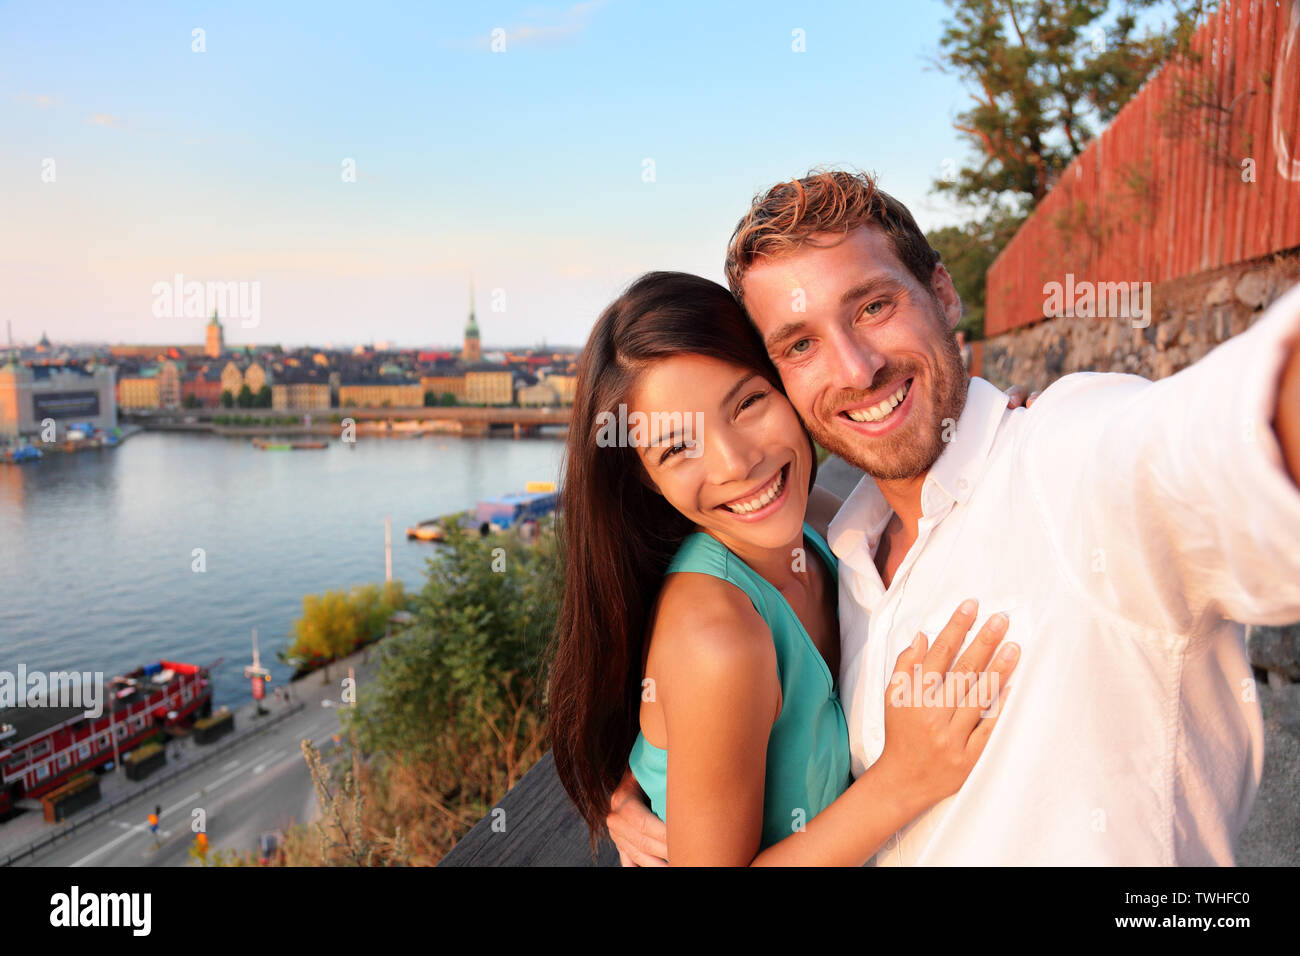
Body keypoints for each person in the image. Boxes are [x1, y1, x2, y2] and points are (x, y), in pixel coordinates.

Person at [607, 168, 1300, 866]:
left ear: (942, 293)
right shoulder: (841, 542)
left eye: (873, 307)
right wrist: (634, 779)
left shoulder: (1068, 462)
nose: (855, 369)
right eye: (800, 344)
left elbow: (1213, 438)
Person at [548, 272, 1024, 865]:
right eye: (676, 447)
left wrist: (1006, 431)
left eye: (747, 403)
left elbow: (914, 484)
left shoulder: (817, 522)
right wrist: (903, 779)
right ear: (646, 478)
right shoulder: (718, 641)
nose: (736, 463)